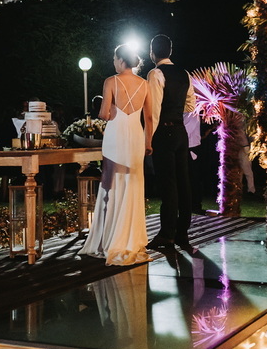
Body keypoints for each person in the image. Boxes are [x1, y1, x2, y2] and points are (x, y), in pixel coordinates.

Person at [80, 45, 154, 265]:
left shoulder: (111, 81)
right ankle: (129, 237)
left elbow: (104, 113)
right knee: (133, 183)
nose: (113, 62)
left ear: (121, 60)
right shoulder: (145, 84)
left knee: (111, 183)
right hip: (136, 136)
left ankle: (109, 238)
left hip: (116, 135)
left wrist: (111, 109)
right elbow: (149, 118)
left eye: (114, 58)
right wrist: (148, 142)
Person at [145, 34, 197, 253]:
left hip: (163, 132)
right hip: (180, 132)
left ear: (152, 53)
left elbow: (154, 110)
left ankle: (167, 233)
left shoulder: (155, 73)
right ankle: (182, 232)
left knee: (168, 183)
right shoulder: (185, 74)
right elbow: (191, 104)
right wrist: (175, 107)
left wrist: (148, 139)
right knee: (183, 181)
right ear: (170, 51)